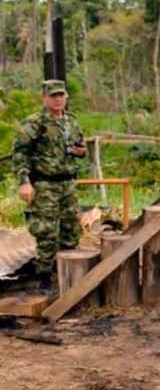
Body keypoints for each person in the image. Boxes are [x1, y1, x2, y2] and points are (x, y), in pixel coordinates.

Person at [12, 79, 87, 292]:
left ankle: (69, 276)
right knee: (46, 233)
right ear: (43, 98)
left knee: (71, 230)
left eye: (61, 95)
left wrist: (81, 151)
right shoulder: (34, 123)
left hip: (67, 184)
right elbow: (20, 154)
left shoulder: (71, 121)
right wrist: (24, 182)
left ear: (66, 97)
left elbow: (78, 146)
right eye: (52, 95)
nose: (57, 99)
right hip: (44, 185)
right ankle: (44, 279)